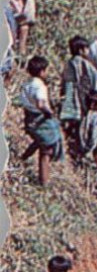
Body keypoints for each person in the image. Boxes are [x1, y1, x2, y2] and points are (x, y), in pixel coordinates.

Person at [17, 54, 63, 185]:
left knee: (39, 140)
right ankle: (44, 183)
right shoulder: (40, 86)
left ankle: (23, 158)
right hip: (40, 119)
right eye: (46, 70)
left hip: (29, 117)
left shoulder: (27, 84)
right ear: (42, 71)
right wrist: (49, 112)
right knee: (46, 151)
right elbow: (41, 104)